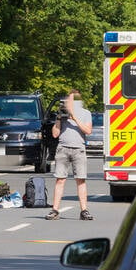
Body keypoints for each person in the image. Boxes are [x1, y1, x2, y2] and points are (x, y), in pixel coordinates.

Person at [46, 90, 93, 220]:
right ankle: (55, 210)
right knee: (60, 179)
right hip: (63, 148)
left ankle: (84, 211)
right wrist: (59, 119)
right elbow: (55, 134)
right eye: (68, 100)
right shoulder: (62, 114)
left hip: (79, 149)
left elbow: (88, 130)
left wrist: (75, 118)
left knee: (81, 180)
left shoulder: (85, 113)